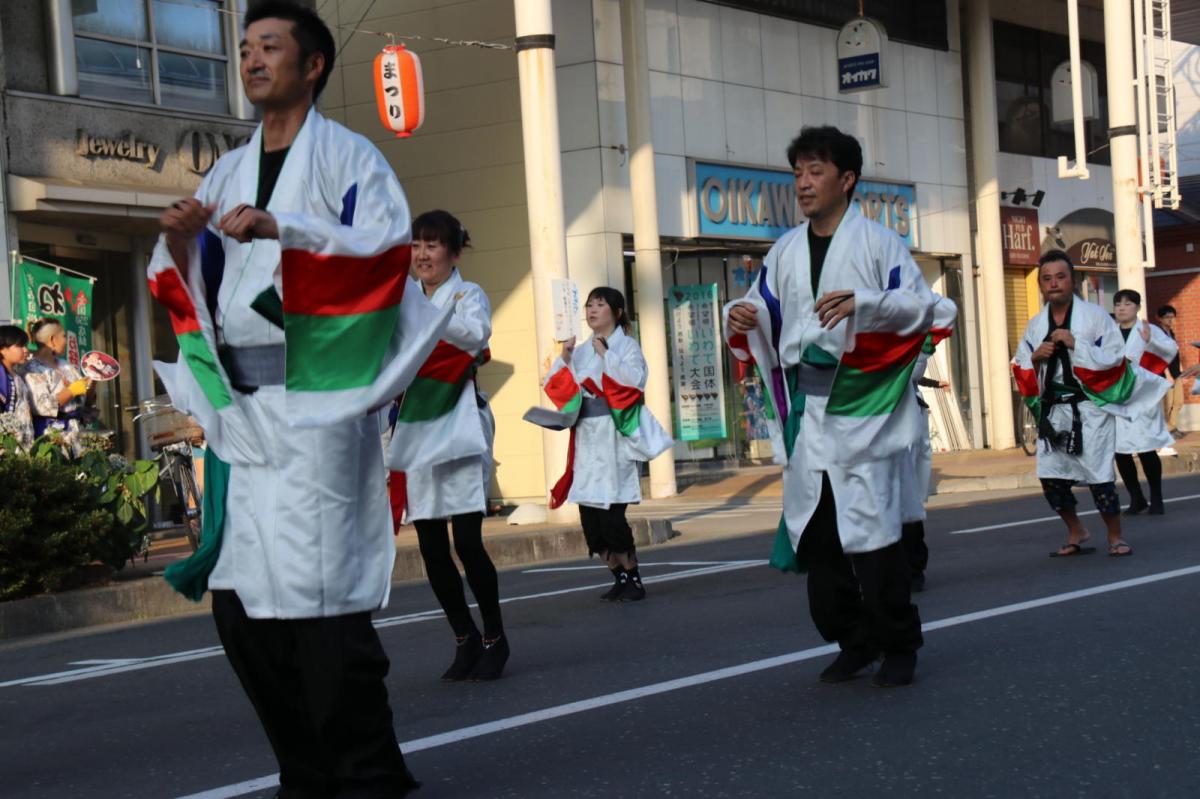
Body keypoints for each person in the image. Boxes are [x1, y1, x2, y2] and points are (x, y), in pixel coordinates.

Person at [147, 3, 454, 795]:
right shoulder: (227, 169)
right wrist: (181, 242)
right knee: (240, 607)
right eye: (245, 47)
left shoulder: (351, 159)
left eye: (270, 46)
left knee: (322, 603)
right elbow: (198, 281)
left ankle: (367, 772)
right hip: (244, 413)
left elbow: (383, 258)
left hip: (317, 401)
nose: (252, 59)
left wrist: (288, 229)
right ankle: (305, 769)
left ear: (312, 64)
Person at [724, 126, 939, 688]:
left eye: (815, 171)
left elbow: (925, 309)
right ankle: (853, 639)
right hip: (811, 410)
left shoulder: (880, 244)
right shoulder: (785, 250)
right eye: (798, 171)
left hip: (865, 407)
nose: (803, 182)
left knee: (873, 535)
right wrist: (741, 315)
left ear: (846, 180)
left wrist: (864, 305)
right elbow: (763, 307)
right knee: (818, 537)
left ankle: (899, 644)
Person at [391, 210, 509, 681]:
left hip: (459, 423)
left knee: (467, 540)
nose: (422, 254)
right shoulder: (404, 296)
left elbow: (474, 337)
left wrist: (421, 315)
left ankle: (495, 636)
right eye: (416, 245)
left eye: (433, 245)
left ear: (454, 253)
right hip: (418, 424)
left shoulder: (468, 294)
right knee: (431, 545)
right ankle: (464, 636)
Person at [1012, 251, 1165, 559]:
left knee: (1099, 476)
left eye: (1060, 277)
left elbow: (1115, 358)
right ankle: (1076, 530)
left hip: (1089, 409)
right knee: (1050, 477)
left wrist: (1076, 344)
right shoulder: (1035, 324)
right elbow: (1020, 364)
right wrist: (1035, 358)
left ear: (1072, 280)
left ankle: (1115, 536)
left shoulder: (1095, 317)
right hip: (1054, 411)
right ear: (1041, 284)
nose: (1054, 283)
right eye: (1047, 278)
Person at [537, 287, 672, 602]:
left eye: (600, 304)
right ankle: (618, 576)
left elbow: (634, 382)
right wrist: (565, 357)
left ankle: (633, 577)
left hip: (613, 437)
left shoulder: (626, 346)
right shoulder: (581, 349)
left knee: (611, 515)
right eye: (589, 305)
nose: (592, 310)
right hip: (587, 438)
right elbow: (560, 387)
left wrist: (606, 355)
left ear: (617, 312)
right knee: (591, 522)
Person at [900, 297, 957, 593]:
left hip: (902, 418)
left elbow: (911, 373)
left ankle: (912, 568)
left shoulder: (901, 316)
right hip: (864, 419)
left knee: (905, 498)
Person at [1112, 290, 1176, 515]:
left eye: (1127, 304)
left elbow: (1171, 349)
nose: (1121, 308)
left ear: (1138, 307)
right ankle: (1136, 497)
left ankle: (1156, 497)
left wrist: (1150, 342)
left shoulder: (1149, 330)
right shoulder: (1109, 333)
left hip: (1143, 397)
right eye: (1117, 304)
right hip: (1118, 398)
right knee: (1120, 450)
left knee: (1146, 448)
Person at [23, 319, 95, 452]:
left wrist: (93, 380)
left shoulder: (66, 365)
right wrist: (71, 391)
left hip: (77, 435)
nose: (66, 341)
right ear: (52, 340)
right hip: (51, 437)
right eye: (63, 336)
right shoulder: (32, 369)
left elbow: (85, 401)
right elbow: (41, 406)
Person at [0, 325, 35, 449]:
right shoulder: (2, 376)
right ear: (3, 349)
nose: (26, 350)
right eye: (20, 346)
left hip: (23, 445)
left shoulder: (16, 375)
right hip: (8, 447)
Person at [1157, 304, 1183, 444]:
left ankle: (1171, 426)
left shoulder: (1171, 333)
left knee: (1179, 401)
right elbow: (1160, 356)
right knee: (1168, 402)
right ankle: (1167, 429)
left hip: (1176, 372)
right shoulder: (1159, 334)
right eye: (1167, 317)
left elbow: (1175, 354)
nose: (1170, 320)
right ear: (1160, 319)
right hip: (1165, 374)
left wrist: (1180, 369)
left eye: (1172, 317)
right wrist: (1167, 374)